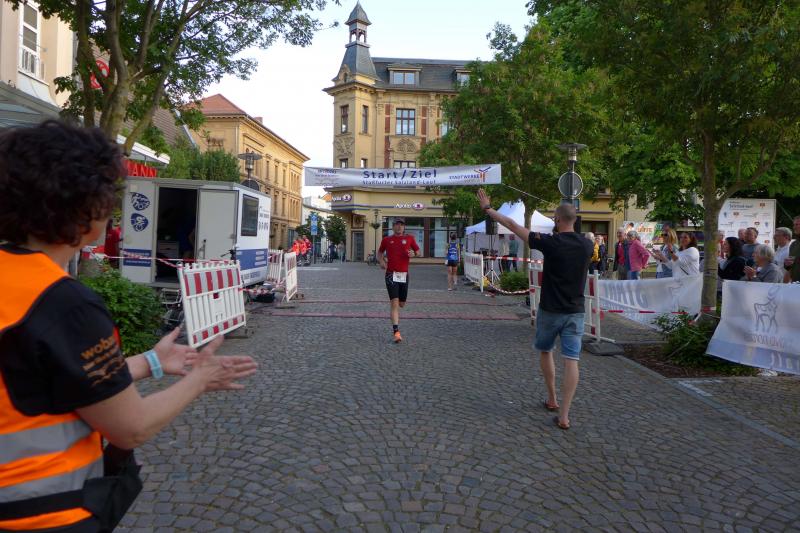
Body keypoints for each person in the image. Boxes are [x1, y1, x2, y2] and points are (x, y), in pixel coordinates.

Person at [0, 121, 258, 532]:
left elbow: (40, 379)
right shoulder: (64, 303)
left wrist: (151, 362)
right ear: (88, 207)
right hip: (42, 513)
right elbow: (130, 427)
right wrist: (200, 379)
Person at [479, 190, 592, 430]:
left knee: (546, 350)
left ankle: (552, 398)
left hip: (550, 309)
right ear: (575, 220)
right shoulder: (587, 244)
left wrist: (488, 209)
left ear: (558, 220)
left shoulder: (550, 242)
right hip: (576, 310)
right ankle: (564, 416)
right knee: (572, 360)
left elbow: (512, 225)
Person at [378, 218, 420, 343]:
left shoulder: (410, 238)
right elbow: (380, 253)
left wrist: (414, 254)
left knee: (401, 303)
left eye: (401, 225)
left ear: (404, 227)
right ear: (393, 227)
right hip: (391, 275)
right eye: (397, 225)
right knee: (394, 303)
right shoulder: (387, 240)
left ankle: (396, 330)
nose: (399, 227)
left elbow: (418, 252)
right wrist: (381, 261)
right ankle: (396, 332)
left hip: (404, 275)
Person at [785, 216, 800, 282]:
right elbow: (789, 267)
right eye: (794, 225)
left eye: (797, 224)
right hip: (795, 283)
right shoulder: (793, 244)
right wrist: (787, 265)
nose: (794, 227)